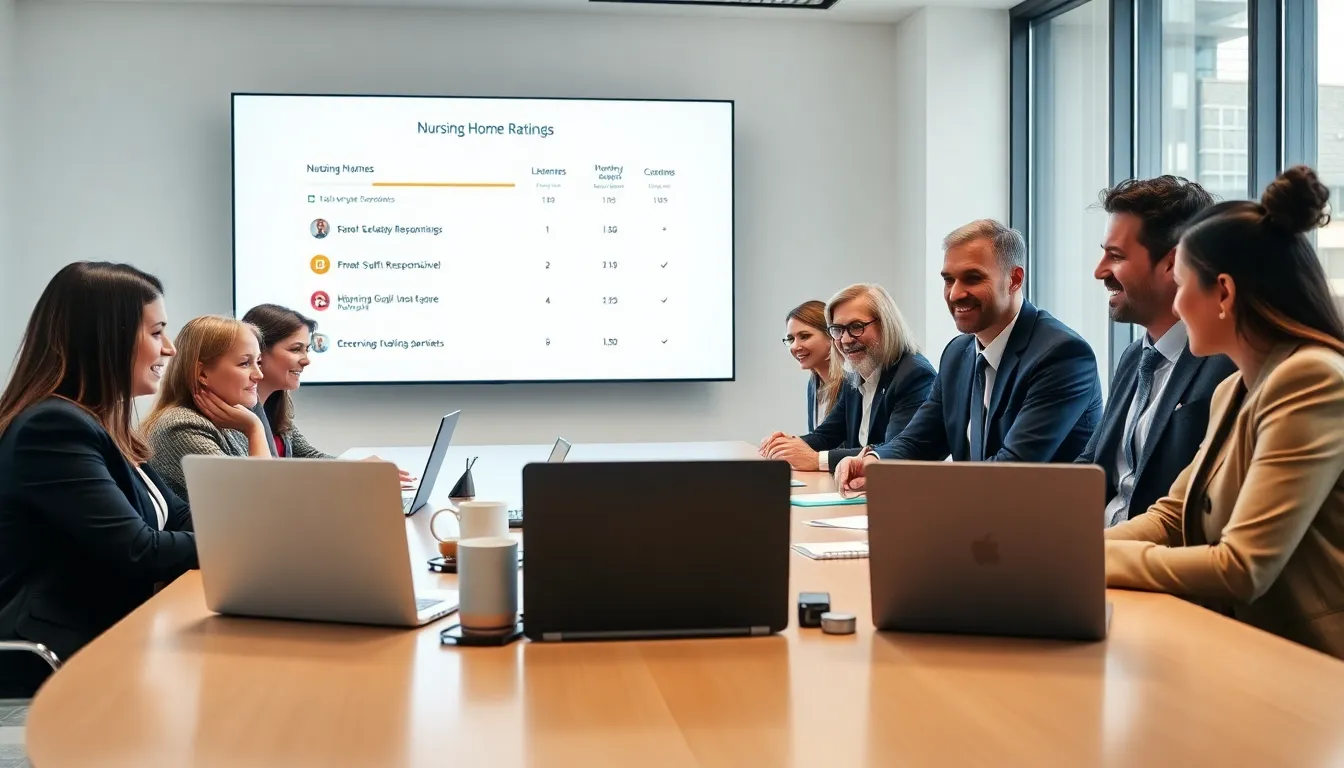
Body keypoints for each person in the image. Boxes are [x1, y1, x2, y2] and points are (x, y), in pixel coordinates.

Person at [1106, 166, 1344, 660]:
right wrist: (1070, 548)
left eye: (1183, 284)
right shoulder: (1234, 388)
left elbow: (1242, 567)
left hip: (1313, 665)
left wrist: (1087, 560)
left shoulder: (1311, 379)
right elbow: (1172, 517)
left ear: (1224, 294)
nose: (1177, 302)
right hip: (1246, 648)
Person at [0, 262, 198, 696]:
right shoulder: (52, 427)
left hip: (116, 627)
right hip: (57, 648)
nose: (169, 349)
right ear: (106, 339)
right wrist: (254, 543)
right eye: (155, 332)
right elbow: (139, 549)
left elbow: (177, 515)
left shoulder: (105, 424)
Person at [836, 220, 1102, 492]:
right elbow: (920, 440)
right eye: (948, 280)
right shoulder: (957, 353)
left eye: (973, 278)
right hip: (979, 520)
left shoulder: (1062, 354)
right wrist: (874, 461)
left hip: (1041, 524)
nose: (955, 293)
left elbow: (1015, 467)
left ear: (1015, 279)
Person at [1076, 176, 1236, 527]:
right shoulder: (1135, 356)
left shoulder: (1230, 364)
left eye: (1115, 256)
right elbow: (1090, 469)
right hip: (1099, 555)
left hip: (1147, 563)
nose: (1099, 270)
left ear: (1173, 264)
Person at [760, 284, 935, 471]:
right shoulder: (855, 374)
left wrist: (817, 459)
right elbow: (827, 435)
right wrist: (784, 446)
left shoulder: (913, 374)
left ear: (886, 325)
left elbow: (892, 451)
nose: (845, 340)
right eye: (837, 330)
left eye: (856, 327)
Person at [241, 304, 412, 481]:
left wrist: (360, 469)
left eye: (307, 349)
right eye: (295, 349)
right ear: (257, 352)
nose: (306, 360)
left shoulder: (275, 406)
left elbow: (309, 457)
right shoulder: (227, 414)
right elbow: (263, 483)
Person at [142, 315, 271, 501]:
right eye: (245, 363)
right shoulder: (181, 427)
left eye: (258, 362)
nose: (259, 375)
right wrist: (255, 429)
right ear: (202, 373)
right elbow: (257, 503)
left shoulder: (231, 419)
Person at [781, 300, 843, 431]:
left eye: (804, 336)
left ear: (831, 336)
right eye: (791, 339)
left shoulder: (852, 385)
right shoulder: (814, 384)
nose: (795, 346)